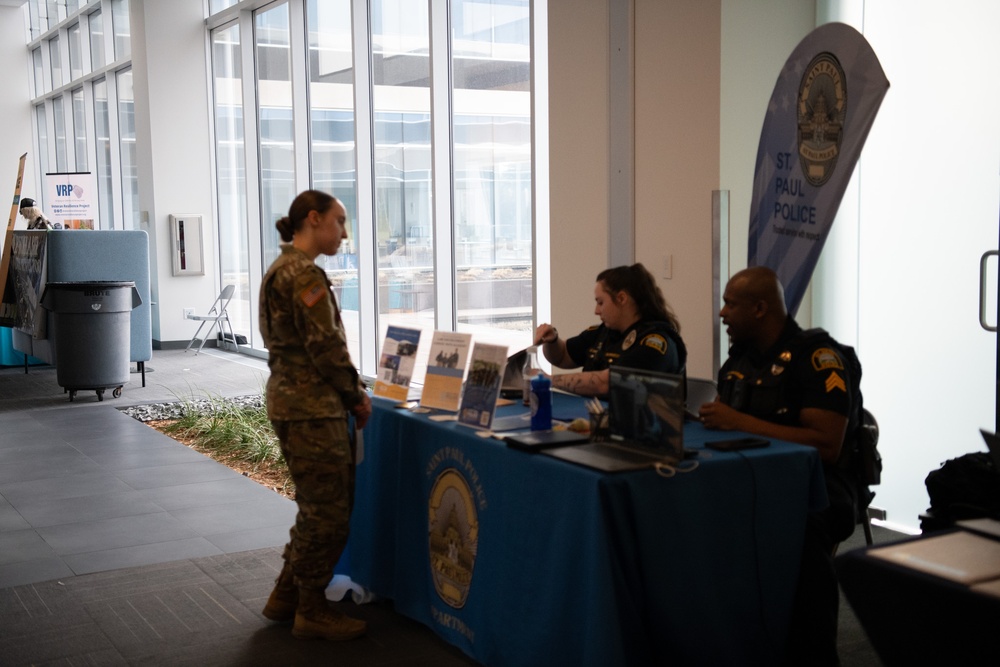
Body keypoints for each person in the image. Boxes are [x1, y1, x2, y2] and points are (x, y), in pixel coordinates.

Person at [698, 266, 859, 666]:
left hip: (815, 490)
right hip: (749, 479)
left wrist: (741, 422)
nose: (722, 314)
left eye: (729, 305)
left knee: (793, 535)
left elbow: (827, 446)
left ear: (759, 308)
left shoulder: (819, 358)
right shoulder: (740, 361)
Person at [258, 189, 372, 641]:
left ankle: (286, 596)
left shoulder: (281, 269)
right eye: (339, 221)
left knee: (314, 508)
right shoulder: (303, 276)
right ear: (313, 219)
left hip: (294, 405)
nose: (344, 232)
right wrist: (356, 395)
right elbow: (325, 347)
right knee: (328, 513)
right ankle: (310, 609)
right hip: (312, 410)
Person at [534, 263, 686, 397]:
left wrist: (546, 380)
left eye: (601, 302)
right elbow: (562, 356)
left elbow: (609, 383)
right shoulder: (604, 332)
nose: (596, 310)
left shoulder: (655, 343)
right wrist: (552, 340)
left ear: (621, 299)